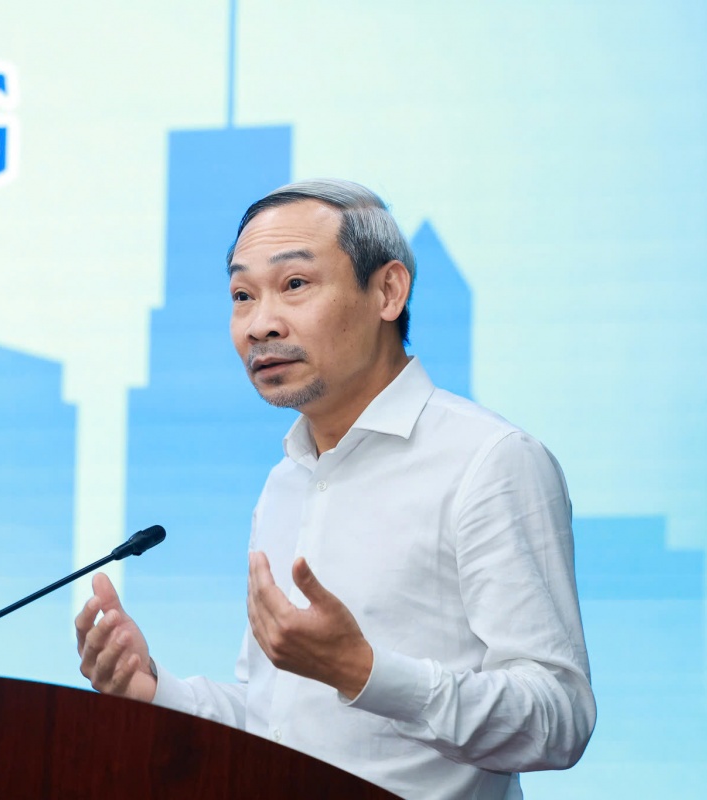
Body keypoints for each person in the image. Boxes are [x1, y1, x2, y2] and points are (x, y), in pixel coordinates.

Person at [75, 179, 595, 799]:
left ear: (388, 291)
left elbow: (560, 716)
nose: (261, 325)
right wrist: (155, 693)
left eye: (295, 284)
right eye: (242, 296)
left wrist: (364, 671)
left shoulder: (488, 461)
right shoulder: (286, 481)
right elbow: (279, 721)